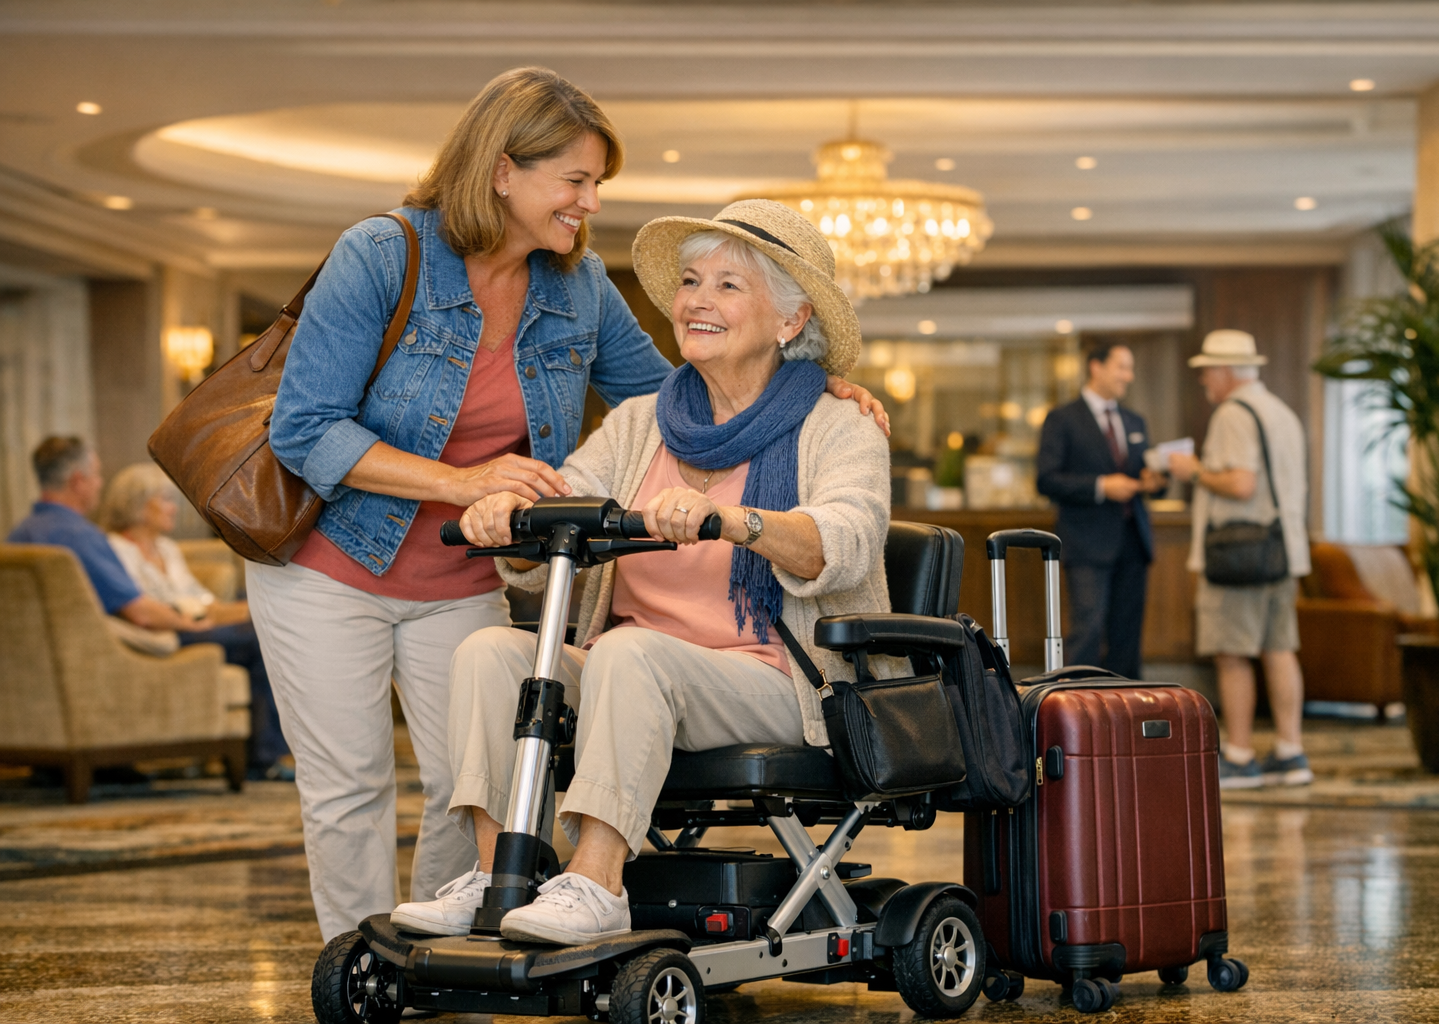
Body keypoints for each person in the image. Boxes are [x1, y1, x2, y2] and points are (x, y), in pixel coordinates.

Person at [246, 68, 887, 942]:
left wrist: (807, 386)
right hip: (340, 557)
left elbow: (681, 394)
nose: (590, 204)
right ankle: (378, 952)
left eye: (728, 287)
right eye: (576, 181)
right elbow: (307, 429)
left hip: (501, 590)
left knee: (458, 762)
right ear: (502, 171)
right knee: (356, 778)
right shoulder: (382, 255)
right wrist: (484, 500)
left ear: (788, 317)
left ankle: (511, 917)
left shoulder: (578, 287)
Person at [390, 199, 895, 944]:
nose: (697, 300)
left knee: (631, 653)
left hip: (781, 680)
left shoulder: (837, 424)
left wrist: (735, 520)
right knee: (491, 653)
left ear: (791, 320)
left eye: (728, 285)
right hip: (631, 670)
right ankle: (501, 877)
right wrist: (511, 520)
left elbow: (845, 541)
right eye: (691, 282)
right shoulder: (640, 422)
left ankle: (598, 883)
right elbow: (562, 504)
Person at [1167, 329, 1313, 790]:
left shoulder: (1232, 413)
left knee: (1232, 654)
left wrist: (1194, 471)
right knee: (1280, 649)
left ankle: (1240, 755)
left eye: (1207, 371)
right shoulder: (1281, 412)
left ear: (1226, 371)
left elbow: (1241, 483)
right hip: (1283, 551)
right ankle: (1290, 752)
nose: (1204, 380)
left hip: (1239, 556)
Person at [98, 463, 292, 781]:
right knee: (259, 638)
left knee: (266, 628)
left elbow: (203, 602)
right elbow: (142, 610)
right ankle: (262, 758)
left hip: (196, 626)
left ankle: (261, 755)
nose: (174, 508)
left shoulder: (167, 549)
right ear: (138, 504)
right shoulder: (116, 550)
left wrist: (257, 608)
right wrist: (198, 617)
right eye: (165, 500)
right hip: (163, 636)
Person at [1036, 343, 1164, 679]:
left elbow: (1147, 474)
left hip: (1133, 542)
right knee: (1088, 630)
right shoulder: (1063, 419)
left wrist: (1155, 481)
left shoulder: (1134, 420)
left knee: (1127, 635)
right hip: (1087, 543)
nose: (1129, 376)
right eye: (1122, 367)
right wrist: (1101, 486)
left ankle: (1125, 706)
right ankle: (1078, 703)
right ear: (1096, 366)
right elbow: (1046, 480)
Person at [8, 437, 212, 637]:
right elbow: (141, 614)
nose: (100, 483)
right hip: (96, 647)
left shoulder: (16, 536)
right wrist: (188, 623)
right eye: (96, 474)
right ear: (78, 481)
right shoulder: (81, 537)